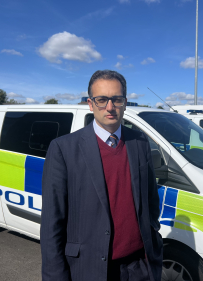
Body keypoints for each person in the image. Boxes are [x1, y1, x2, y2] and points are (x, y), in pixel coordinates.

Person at [41, 70, 163, 281]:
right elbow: (52, 223)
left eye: (116, 99)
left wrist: (153, 234)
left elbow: (151, 197)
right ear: (90, 103)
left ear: (125, 102)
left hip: (139, 267)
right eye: (102, 100)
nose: (110, 107)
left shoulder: (140, 142)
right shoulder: (63, 149)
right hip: (90, 270)